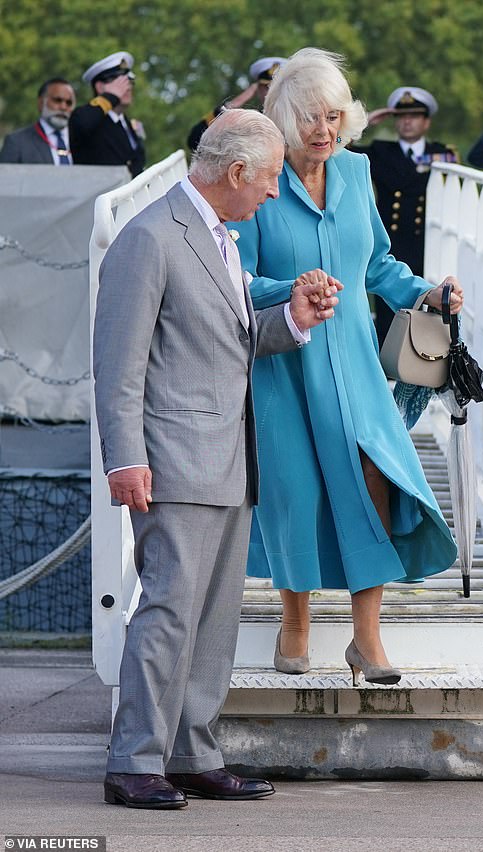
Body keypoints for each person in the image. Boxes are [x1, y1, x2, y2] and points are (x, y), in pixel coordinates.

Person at [93, 108, 341, 809]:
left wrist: (293, 320)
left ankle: (191, 752)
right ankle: (133, 760)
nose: (272, 193)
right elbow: (119, 363)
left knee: (214, 619)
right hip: (171, 461)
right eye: (267, 180)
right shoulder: (149, 239)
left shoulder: (221, 236)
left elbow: (226, 341)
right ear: (235, 173)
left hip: (230, 458)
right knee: (169, 611)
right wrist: (125, 458)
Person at [232, 48, 461, 686]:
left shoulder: (357, 173)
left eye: (333, 116)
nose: (324, 131)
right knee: (295, 488)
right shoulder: (262, 179)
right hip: (289, 362)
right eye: (310, 117)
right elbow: (240, 279)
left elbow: (378, 266)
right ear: (283, 117)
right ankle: (296, 621)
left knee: (375, 477)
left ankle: (367, 639)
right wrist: (290, 290)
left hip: (357, 360)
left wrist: (427, 293)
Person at [351, 86, 458, 345]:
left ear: (426, 121)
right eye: (401, 116)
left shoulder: (442, 152)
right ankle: (389, 363)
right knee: (389, 306)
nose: (407, 121)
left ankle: (425, 361)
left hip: (427, 240)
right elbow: (340, 149)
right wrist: (363, 124)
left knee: (428, 302)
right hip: (390, 240)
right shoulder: (380, 151)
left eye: (414, 116)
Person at [187, 56, 286, 152]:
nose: (270, 92)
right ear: (258, 89)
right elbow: (195, 141)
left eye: (275, 87)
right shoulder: (251, 120)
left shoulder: (295, 118)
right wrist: (234, 104)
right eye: (266, 87)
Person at [70, 51, 145, 176]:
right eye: (120, 83)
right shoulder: (89, 120)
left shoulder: (126, 123)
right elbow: (81, 123)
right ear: (100, 87)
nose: (128, 87)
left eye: (129, 81)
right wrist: (110, 97)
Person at [0, 78, 75, 165]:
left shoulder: (83, 140)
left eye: (69, 103)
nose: (63, 107)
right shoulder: (17, 142)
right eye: (57, 100)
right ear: (41, 103)